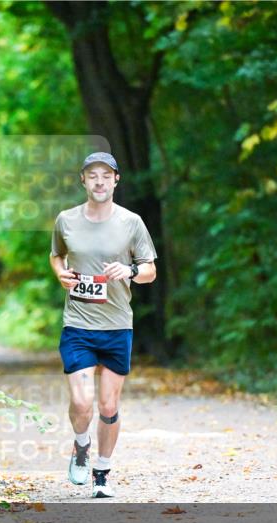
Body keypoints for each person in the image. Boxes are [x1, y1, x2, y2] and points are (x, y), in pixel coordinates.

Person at [49, 152, 157, 498]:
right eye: (92, 175)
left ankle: (102, 472)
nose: (99, 181)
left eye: (105, 175)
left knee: (108, 407)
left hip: (117, 326)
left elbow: (150, 270)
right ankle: (81, 445)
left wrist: (130, 271)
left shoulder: (132, 222)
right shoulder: (66, 220)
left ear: (116, 181)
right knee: (82, 403)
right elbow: (56, 255)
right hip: (78, 324)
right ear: (83, 180)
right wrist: (60, 273)